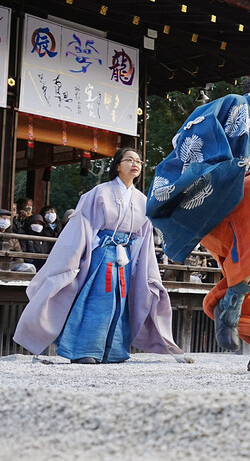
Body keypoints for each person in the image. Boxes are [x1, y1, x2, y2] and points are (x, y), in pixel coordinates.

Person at [147, 58, 250, 372]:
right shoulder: (237, 105)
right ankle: (233, 290)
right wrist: (238, 171)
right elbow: (192, 144)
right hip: (219, 204)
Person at [14, 148, 187, 364]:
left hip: (125, 256)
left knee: (120, 301)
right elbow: (82, 226)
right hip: (102, 253)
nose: (136, 164)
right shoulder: (99, 193)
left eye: (139, 161)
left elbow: (143, 238)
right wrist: (83, 253)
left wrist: (142, 265)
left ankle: (113, 351)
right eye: (129, 160)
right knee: (100, 298)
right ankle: (84, 349)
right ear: (117, 165)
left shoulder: (142, 200)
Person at [0, 208, 36, 273]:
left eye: (7, 218)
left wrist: (17, 263)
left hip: (11, 264)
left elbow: (19, 253)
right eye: (3, 218)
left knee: (30, 268)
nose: (5, 220)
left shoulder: (12, 236)